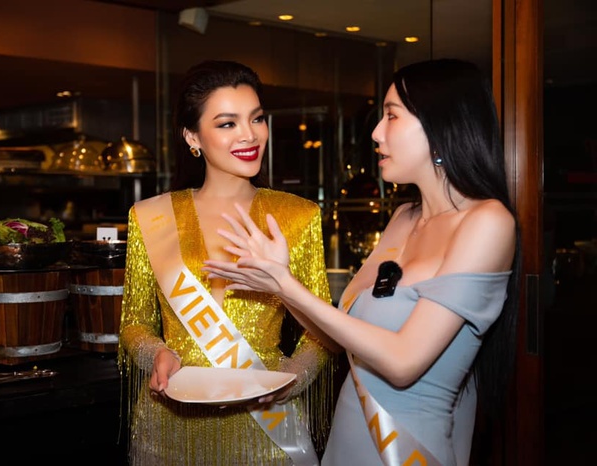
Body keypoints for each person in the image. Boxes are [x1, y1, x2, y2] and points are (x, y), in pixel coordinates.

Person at [202, 58, 521, 466]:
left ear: (441, 126)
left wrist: (287, 285)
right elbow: (339, 337)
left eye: (392, 116)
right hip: (348, 443)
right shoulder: (403, 218)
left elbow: (403, 363)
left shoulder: (488, 222)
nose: (376, 132)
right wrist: (277, 284)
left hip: (407, 452)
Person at [118, 59, 335, 466]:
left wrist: (292, 380)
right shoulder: (149, 216)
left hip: (266, 426)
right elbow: (134, 322)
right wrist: (157, 355)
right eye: (227, 123)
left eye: (257, 118)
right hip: (169, 425)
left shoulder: (297, 215)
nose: (249, 134)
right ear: (192, 136)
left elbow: (322, 328)